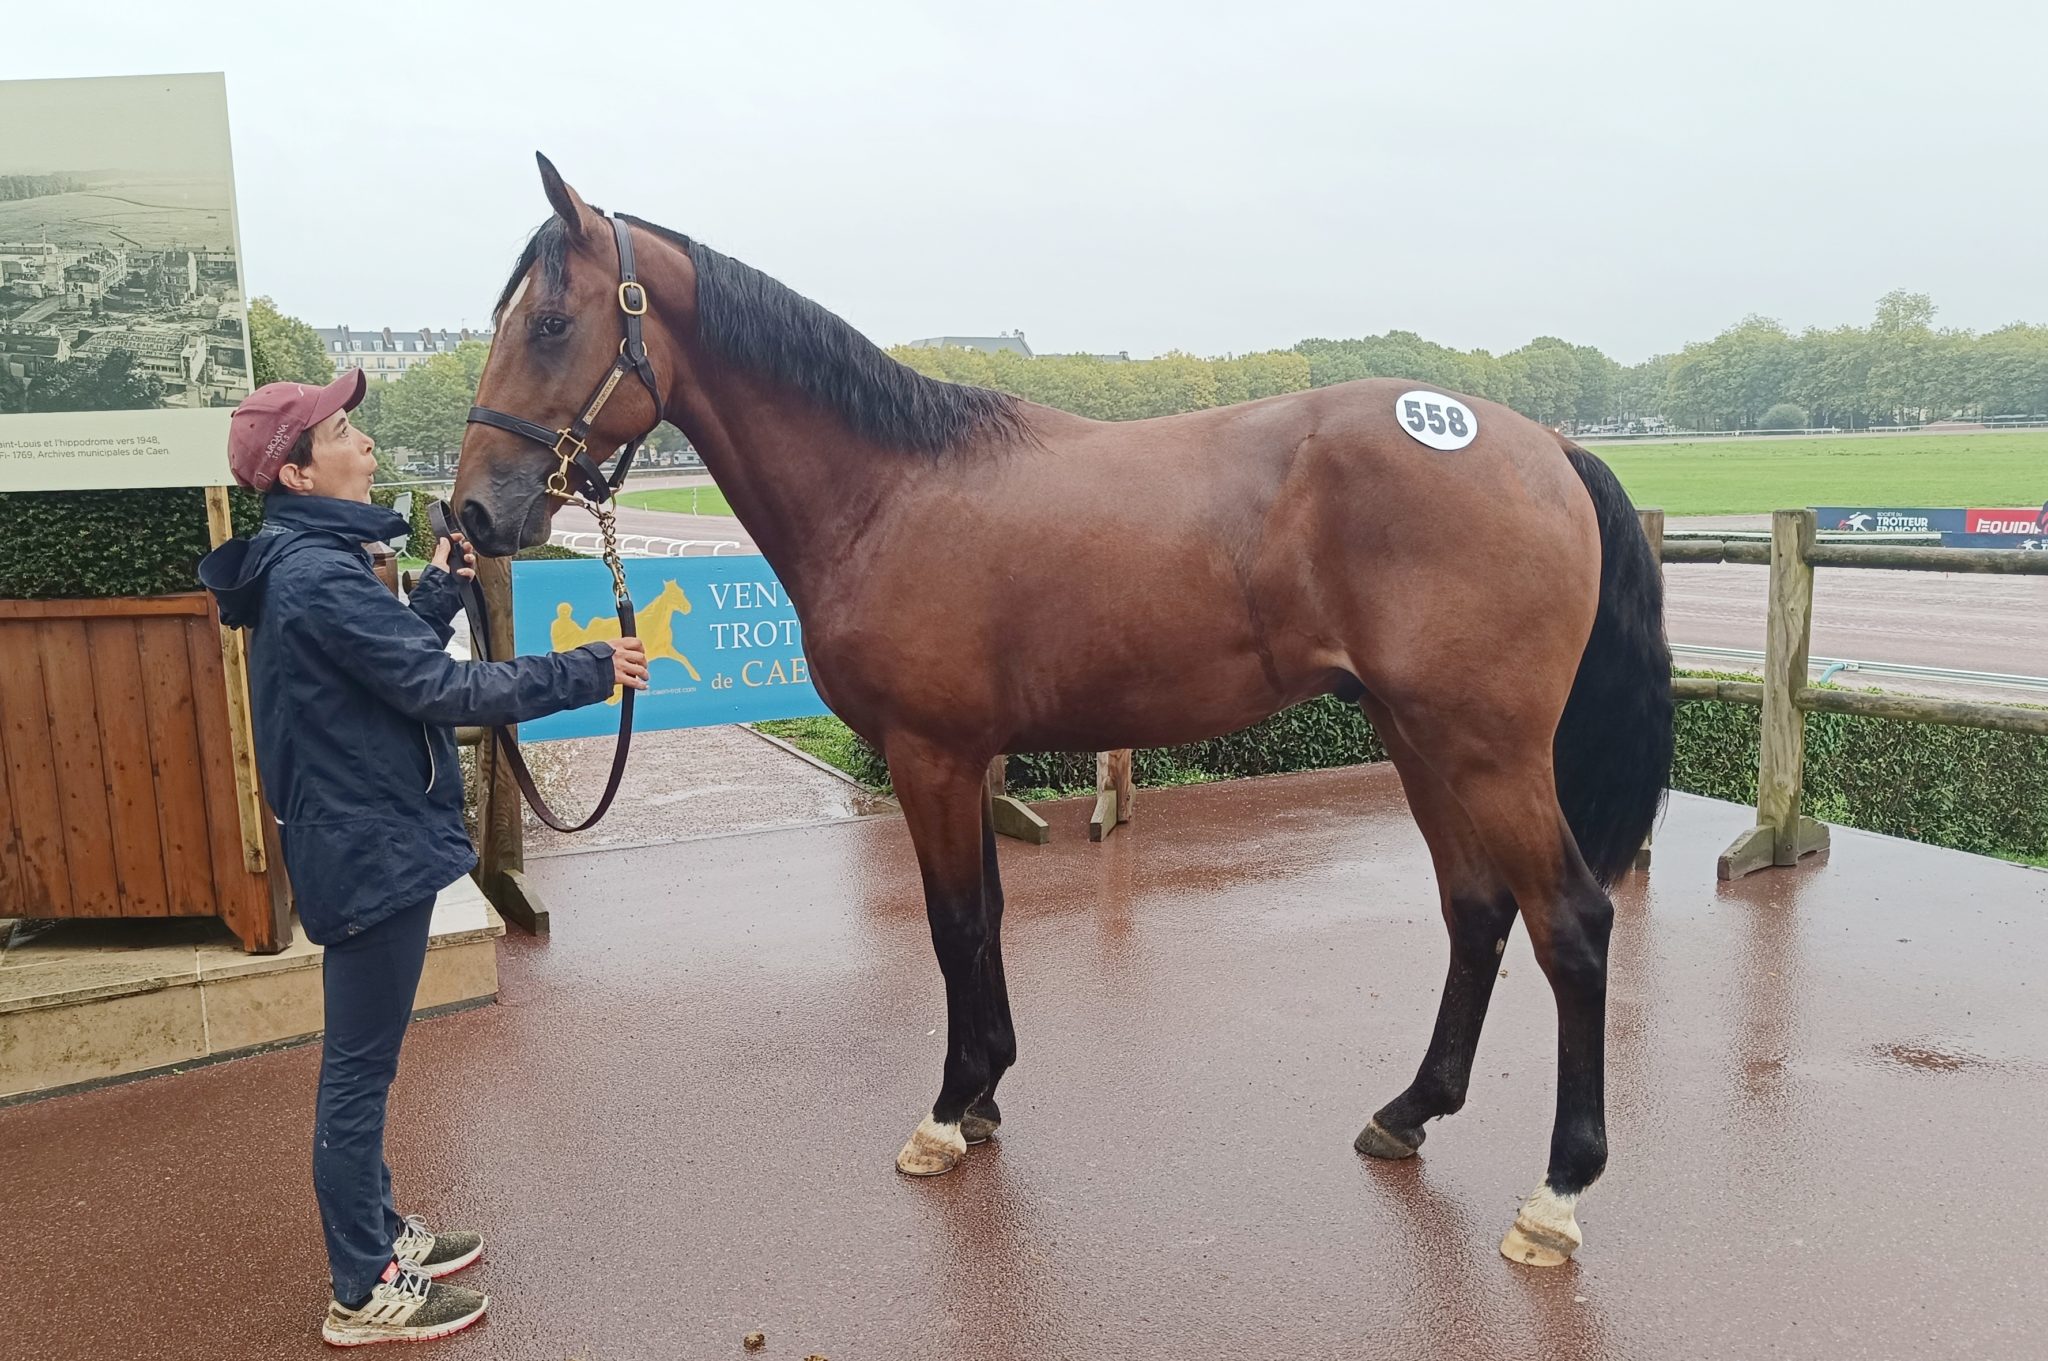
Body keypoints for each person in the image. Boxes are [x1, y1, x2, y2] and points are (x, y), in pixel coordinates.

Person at [199, 370, 649, 1346]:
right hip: (364, 848)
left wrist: (441, 582)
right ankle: (360, 1286)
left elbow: (388, 653)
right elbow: (432, 686)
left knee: (369, 1062)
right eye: (346, 431)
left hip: (365, 836)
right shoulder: (316, 575)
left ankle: (376, 1230)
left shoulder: (311, 563)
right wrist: (588, 667)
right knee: (357, 1074)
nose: (364, 445)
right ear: (301, 471)